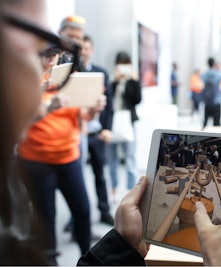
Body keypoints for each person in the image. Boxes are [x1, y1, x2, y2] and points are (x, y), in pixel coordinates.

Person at [0, 1, 221, 265]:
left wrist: (122, 246)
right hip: (42, 156)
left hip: (69, 150)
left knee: (81, 212)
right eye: (45, 50)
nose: (48, 76)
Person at [16, 15, 105, 261]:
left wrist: (93, 110)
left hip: (68, 155)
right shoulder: (27, 73)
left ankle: (87, 257)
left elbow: (80, 115)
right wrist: (48, 107)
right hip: (35, 158)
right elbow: (18, 120)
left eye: (79, 38)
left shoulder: (69, 71)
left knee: (83, 211)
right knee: (45, 218)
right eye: (70, 36)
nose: (51, 58)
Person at [79, 34, 114, 225]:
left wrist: (108, 128)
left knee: (100, 175)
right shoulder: (71, 73)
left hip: (97, 133)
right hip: (78, 134)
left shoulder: (100, 73)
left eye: (86, 48)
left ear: (91, 50)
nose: (83, 51)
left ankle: (104, 210)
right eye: (80, 48)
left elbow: (109, 105)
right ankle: (76, 216)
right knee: (76, 178)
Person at [107, 51, 141, 200]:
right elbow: (108, 100)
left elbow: (137, 99)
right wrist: (115, 82)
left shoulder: (132, 80)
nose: (123, 67)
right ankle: (114, 190)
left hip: (127, 121)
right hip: (111, 122)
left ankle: (131, 193)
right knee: (112, 159)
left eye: (126, 63)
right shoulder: (111, 80)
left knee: (130, 158)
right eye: (121, 63)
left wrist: (133, 81)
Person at [201, 57, 221, 128]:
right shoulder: (218, 74)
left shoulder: (204, 75)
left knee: (205, 123)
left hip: (207, 103)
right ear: (214, 64)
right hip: (216, 103)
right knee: (217, 124)